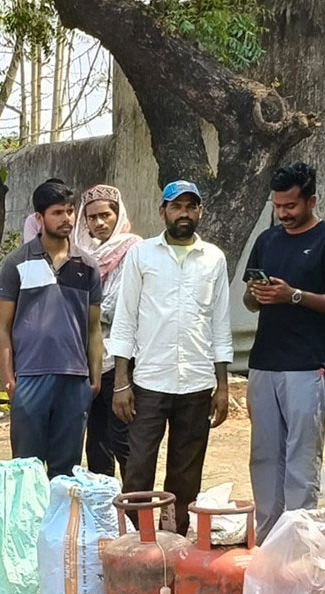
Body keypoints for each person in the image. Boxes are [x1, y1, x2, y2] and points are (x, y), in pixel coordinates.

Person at [107, 181, 232, 535]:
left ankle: (174, 537)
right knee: (139, 466)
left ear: (200, 212)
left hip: (196, 382)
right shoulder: (142, 255)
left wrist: (222, 387)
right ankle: (138, 539)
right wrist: (121, 382)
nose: (184, 214)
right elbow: (125, 320)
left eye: (191, 207)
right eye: (176, 207)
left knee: (186, 469)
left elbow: (220, 325)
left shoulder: (213, 259)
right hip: (149, 381)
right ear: (162, 212)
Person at [244, 162, 325, 541]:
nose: (284, 214)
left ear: (311, 200)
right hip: (264, 362)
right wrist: (258, 294)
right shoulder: (267, 240)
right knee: (264, 457)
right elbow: (249, 300)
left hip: (307, 365)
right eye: (278, 206)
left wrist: (293, 295)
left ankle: (299, 541)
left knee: (301, 458)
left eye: (291, 205)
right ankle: (267, 538)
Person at [0, 180, 103, 478]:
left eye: (70, 211)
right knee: (25, 471)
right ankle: (27, 527)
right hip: (29, 377)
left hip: (74, 380)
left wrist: (93, 376)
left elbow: (94, 328)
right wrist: (9, 380)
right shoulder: (16, 263)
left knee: (66, 473)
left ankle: (61, 526)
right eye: (58, 212)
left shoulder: (88, 266)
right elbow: (2, 329)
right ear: (39, 219)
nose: (67, 219)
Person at [73, 184, 140, 478]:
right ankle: (104, 512)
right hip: (86, 357)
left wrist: (88, 308)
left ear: (118, 214)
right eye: (91, 217)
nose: (99, 223)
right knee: (96, 440)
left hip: (121, 356)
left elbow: (118, 304)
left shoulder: (134, 249)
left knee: (123, 438)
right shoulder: (79, 253)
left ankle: (136, 513)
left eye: (105, 215)